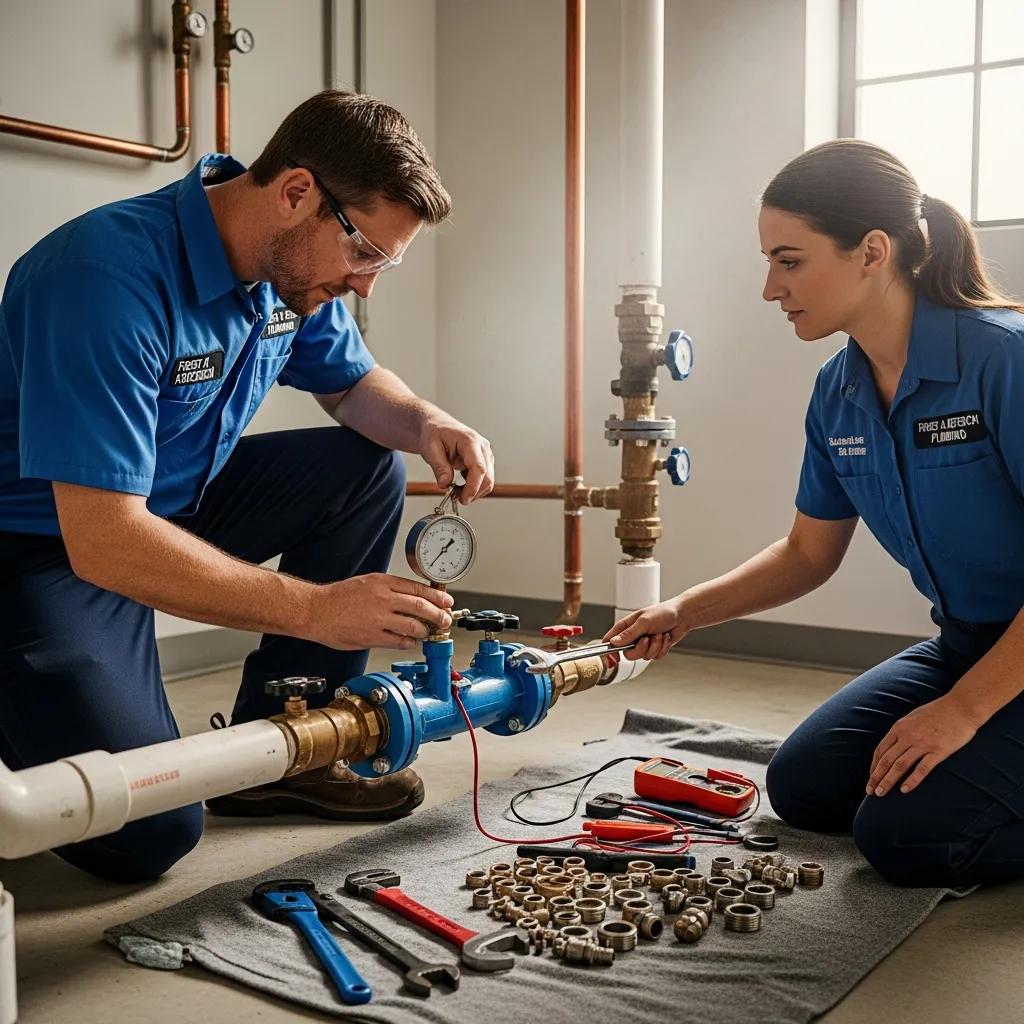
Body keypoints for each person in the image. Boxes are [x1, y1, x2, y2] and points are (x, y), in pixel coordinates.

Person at [0, 90, 494, 882]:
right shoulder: (102, 277)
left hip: (165, 512)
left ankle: (286, 755)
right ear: (297, 192)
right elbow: (104, 538)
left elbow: (352, 387)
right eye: (364, 251)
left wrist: (426, 421)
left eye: (383, 263)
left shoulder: (288, 275)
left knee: (365, 465)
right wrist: (316, 608)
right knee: (149, 834)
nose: (366, 284)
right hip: (43, 550)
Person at [605, 139, 1024, 888]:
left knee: (904, 838)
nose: (771, 288)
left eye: (789, 261)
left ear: (871, 251)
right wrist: (685, 610)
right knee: (805, 788)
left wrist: (962, 711)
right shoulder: (840, 390)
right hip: (968, 643)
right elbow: (807, 552)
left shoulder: (1004, 361)